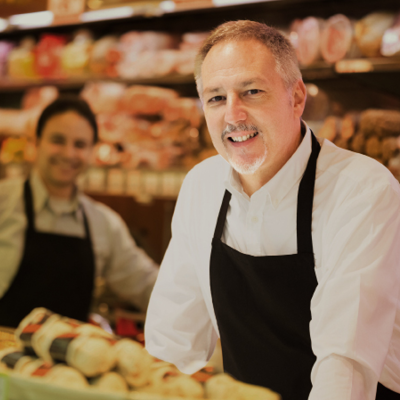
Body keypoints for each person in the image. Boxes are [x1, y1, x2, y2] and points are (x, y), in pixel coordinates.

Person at [144, 20, 400, 400]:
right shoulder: (202, 186)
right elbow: (172, 343)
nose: (233, 115)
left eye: (251, 91)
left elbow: (344, 366)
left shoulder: (361, 189)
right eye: (216, 98)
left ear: (296, 98)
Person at [0, 95, 158, 328]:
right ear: (36, 143)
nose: (69, 153)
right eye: (58, 140)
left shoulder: (103, 223)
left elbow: (147, 284)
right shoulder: (4, 201)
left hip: (69, 359)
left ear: (91, 152)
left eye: (80, 145)